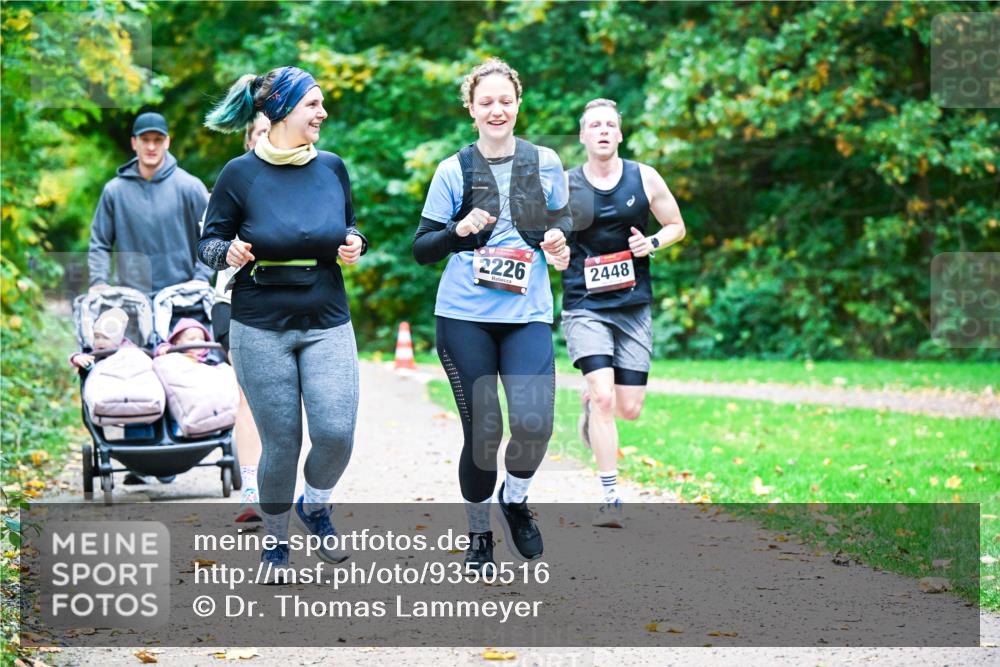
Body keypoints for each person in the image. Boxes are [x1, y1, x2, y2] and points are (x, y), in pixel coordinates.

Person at [199, 66, 367, 578]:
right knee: (283, 442)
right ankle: (275, 547)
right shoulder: (239, 174)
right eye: (313, 104)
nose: (323, 113)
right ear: (281, 112)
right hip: (260, 324)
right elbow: (207, 244)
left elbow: (351, 225)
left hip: (327, 318)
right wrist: (227, 251)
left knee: (336, 432)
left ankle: (314, 505)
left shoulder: (333, 167)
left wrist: (356, 242)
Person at [413, 59, 572, 572]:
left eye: (505, 100)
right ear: (471, 110)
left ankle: (516, 500)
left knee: (535, 425)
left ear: (518, 104)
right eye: (486, 102)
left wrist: (558, 241)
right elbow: (422, 249)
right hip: (465, 316)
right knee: (484, 431)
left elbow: (565, 224)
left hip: (526, 313)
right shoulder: (452, 169)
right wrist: (458, 232)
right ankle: (478, 535)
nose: (497, 109)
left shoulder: (545, 162)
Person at [561, 98, 686, 528]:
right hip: (585, 303)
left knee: (628, 407)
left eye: (609, 125)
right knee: (604, 396)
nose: (601, 131)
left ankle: (592, 401)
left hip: (632, 304)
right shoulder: (565, 184)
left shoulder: (644, 177)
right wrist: (554, 251)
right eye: (593, 125)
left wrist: (650, 244)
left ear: (619, 134)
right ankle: (611, 496)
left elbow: (676, 225)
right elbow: (546, 236)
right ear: (582, 136)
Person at [210, 112, 271, 525]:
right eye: (260, 133)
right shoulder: (234, 182)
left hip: (287, 306)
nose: (268, 139)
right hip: (233, 301)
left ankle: (281, 486)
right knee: (249, 396)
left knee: (284, 402)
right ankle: (250, 490)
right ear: (249, 140)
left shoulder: (307, 179)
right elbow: (209, 242)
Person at [88, 111, 212, 295]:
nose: (151, 146)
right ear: (133, 143)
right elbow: (100, 243)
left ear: (167, 142)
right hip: (131, 297)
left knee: (192, 326)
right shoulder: (114, 191)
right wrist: (99, 281)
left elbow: (212, 236)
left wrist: (201, 278)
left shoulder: (190, 187)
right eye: (145, 139)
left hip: (183, 296)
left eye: (158, 140)